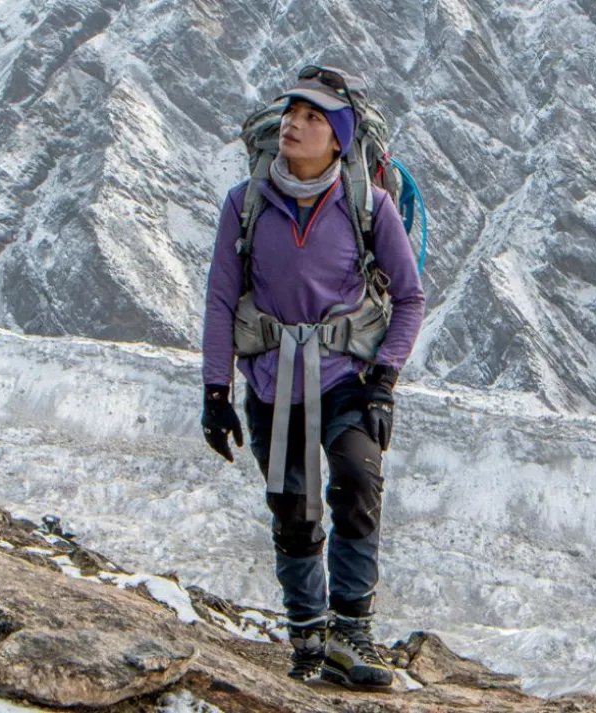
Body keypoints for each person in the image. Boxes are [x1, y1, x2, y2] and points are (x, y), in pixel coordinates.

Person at [200, 66, 425, 690]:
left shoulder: (369, 205)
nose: (295, 123)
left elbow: (409, 298)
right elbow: (222, 299)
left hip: (347, 377)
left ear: (340, 138)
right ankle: (308, 636)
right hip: (273, 380)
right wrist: (215, 393)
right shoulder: (246, 204)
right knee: (294, 511)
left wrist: (384, 381)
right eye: (293, 112)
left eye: (314, 117)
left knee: (357, 482)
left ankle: (352, 632)